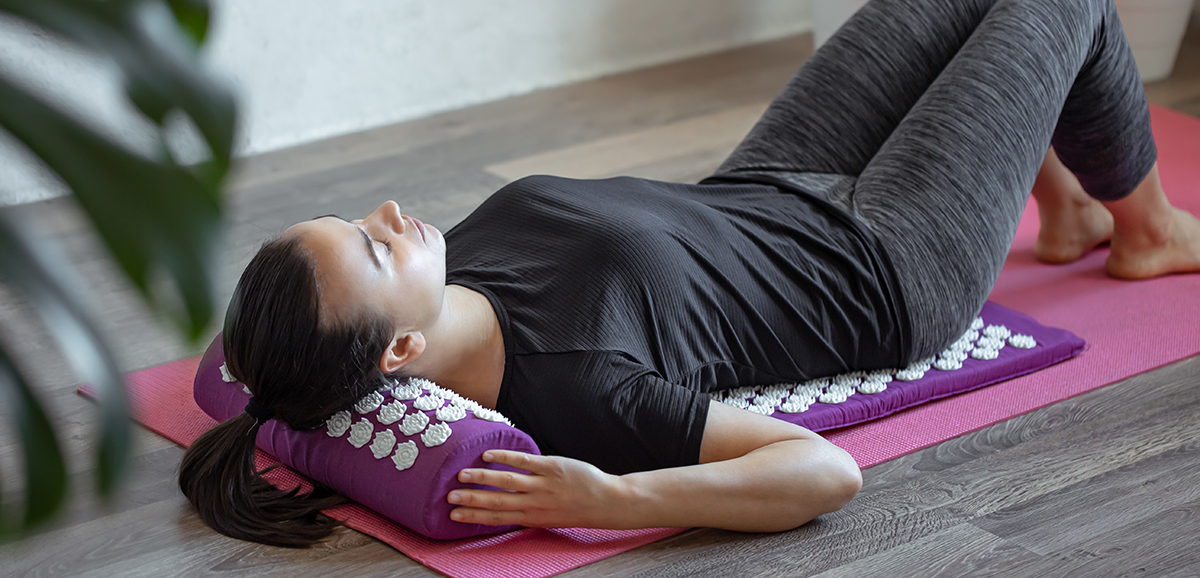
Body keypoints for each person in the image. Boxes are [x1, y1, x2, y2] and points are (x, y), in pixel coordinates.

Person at [179, 0, 1200, 547]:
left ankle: (1064, 203)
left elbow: (256, 366)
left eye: (357, 219)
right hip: (885, 261)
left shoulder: (440, 280)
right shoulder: (579, 386)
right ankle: (1143, 226)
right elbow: (821, 471)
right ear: (399, 350)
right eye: (372, 246)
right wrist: (607, 497)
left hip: (764, 181)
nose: (392, 215)